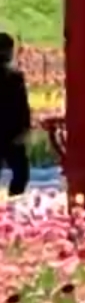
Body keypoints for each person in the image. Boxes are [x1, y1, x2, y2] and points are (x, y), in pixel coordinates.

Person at [0, 34, 29, 198]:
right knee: (20, 172)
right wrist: (25, 128)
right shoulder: (14, 77)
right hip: (12, 132)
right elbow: (22, 106)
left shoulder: (14, 76)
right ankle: (15, 200)